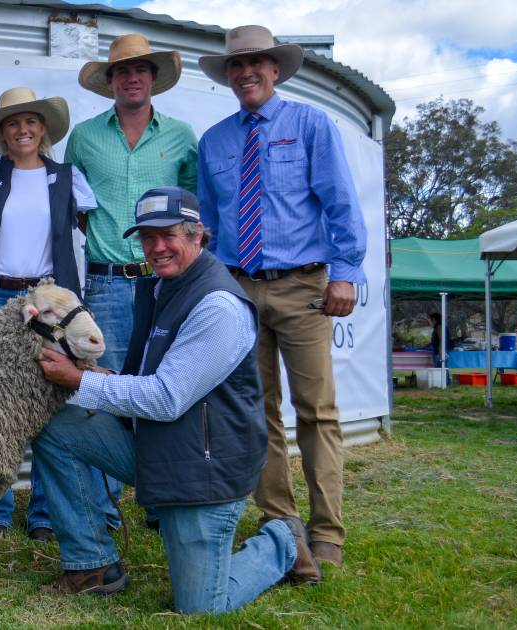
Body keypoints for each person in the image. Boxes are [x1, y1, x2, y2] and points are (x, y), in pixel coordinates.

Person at [31, 187, 321, 613]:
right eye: (148, 238)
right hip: (162, 447)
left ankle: (282, 541)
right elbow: (158, 377)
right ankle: (92, 564)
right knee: (58, 424)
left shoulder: (218, 305)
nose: (157, 248)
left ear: (198, 235)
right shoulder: (161, 287)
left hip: (202, 470)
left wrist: (77, 380)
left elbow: (167, 397)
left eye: (169, 235)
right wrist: (104, 376)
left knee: (203, 605)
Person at [197, 24, 367, 568]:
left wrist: (345, 274)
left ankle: (328, 534)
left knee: (316, 410)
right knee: (255, 411)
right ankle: (281, 527)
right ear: (229, 76)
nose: (246, 73)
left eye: (257, 64)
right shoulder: (215, 141)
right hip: (239, 292)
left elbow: (341, 204)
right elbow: (211, 226)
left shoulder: (311, 124)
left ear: (275, 70)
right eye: (236, 66)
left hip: (305, 289)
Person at [66, 32, 199, 530]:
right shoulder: (83, 137)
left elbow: (195, 209)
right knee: (104, 390)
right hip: (107, 283)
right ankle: (105, 508)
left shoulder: (183, 136)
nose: (133, 77)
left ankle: (164, 498)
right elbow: (75, 208)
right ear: (111, 81)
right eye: (123, 71)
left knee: (167, 388)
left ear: (155, 78)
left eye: (142, 69)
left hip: (167, 282)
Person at [0, 87, 96, 541]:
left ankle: (44, 512)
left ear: (43, 130)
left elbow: (87, 228)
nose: (22, 130)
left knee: (49, 404)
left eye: (30, 122)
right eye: (13, 123)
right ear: (2, 133)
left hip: (47, 300)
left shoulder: (66, 176)